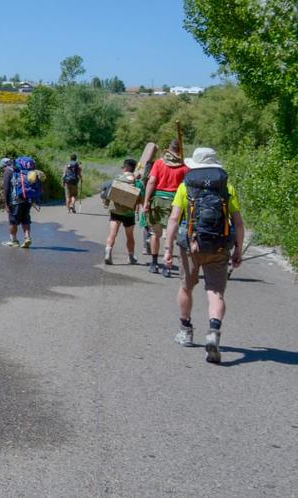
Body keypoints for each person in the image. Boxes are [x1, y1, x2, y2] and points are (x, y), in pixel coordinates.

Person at [162, 147, 245, 364]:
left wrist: (168, 248)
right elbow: (238, 222)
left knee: (186, 287)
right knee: (216, 292)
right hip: (219, 247)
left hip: (191, 246)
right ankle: (213, 330)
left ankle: (185, 330)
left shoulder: (185, 186)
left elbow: (173, 219)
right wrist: (238, 249)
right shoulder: (226, 187)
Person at [140, 140, 188, 274]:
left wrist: (146, 201)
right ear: (179, 151)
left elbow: (151, 182)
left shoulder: (159, 163)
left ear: (168, 149)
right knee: (170, 236)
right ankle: (167, 265)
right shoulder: (184, 167)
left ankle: (154, 264)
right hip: (175, 203)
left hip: (157, 201)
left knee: (155, 234)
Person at [103, 158, 142, 265]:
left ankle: (108, 252)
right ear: (133, 169)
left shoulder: (117, 179)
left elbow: (107, 193)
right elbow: (140, 199)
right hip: (129, 213)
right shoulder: (136, 181)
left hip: (115, 211)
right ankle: (130, 257)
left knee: (112, 233)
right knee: (130, 236)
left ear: (124, 168)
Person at [3, 156, 37, 249]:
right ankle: (27, 238)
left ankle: (13, 241)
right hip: (27, 199)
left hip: (15, 201)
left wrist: (6, 204)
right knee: (25, 219)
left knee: (13, 220)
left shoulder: (8, 171)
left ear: (4, 166)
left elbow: (6, 189)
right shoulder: (24, 171)